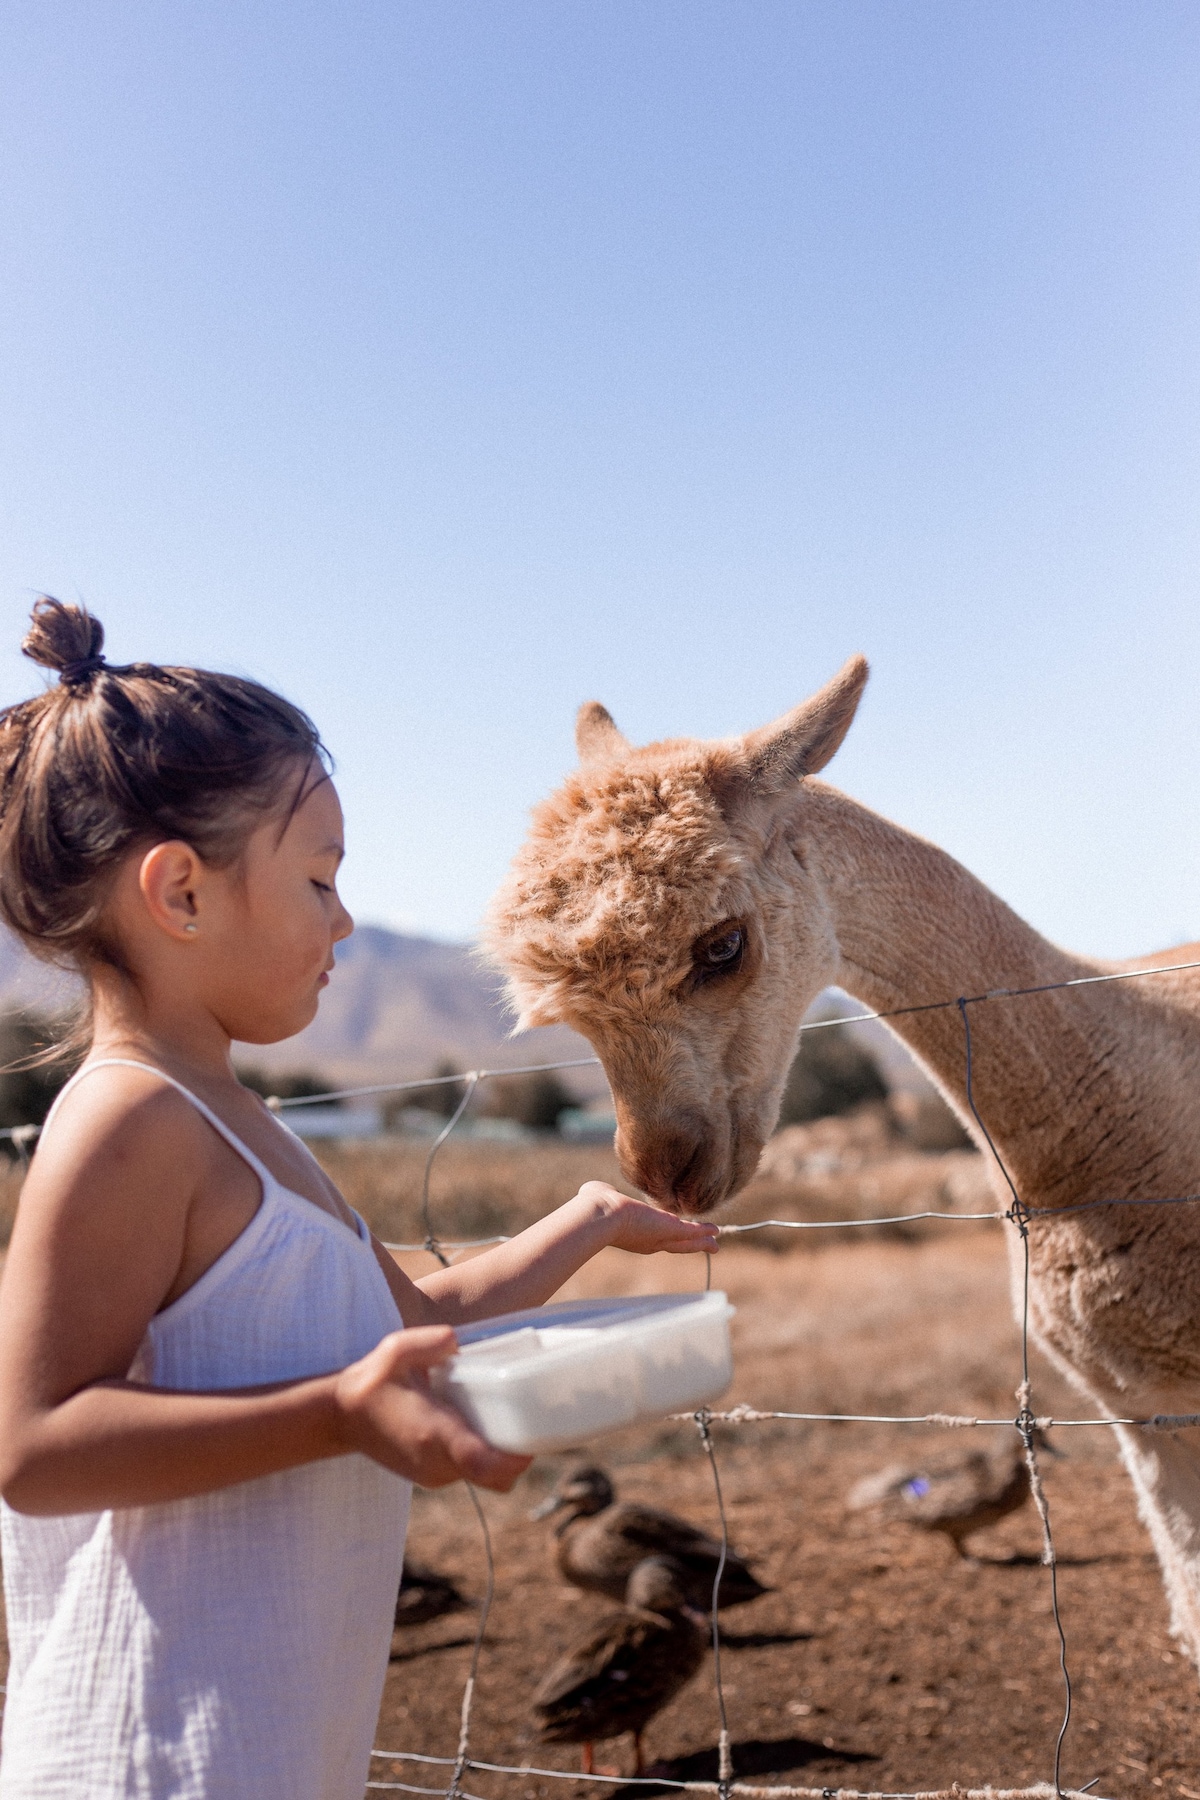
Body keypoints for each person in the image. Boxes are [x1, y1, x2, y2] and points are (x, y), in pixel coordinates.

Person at [0, 599, 718, 1800]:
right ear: (179, 893)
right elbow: (35, 1445)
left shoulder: (245, 1122)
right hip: (148, 1755)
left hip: (275, 1741)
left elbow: (398, 1325)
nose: (343, 922)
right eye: (322, 881)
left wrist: (579, 1226)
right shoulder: (130, 1122)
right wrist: (340, 1413)